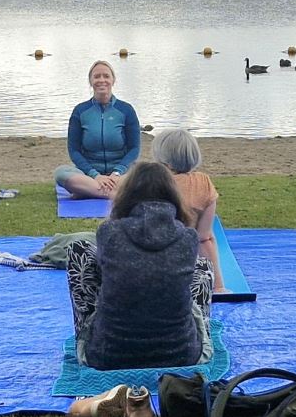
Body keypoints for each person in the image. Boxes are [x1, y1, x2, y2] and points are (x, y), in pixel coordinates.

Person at [66, 161, 213, 370]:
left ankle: (84, 332)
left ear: (126, 194)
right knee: (203, 268)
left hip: (107, 356)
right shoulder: (188, 238)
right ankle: (201, 331)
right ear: (172, 195)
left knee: (79, 252)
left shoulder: (109, 233)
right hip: (182, 355)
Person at [54, 60, 142, 199]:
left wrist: (117, 173)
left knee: (146, 173)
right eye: (97, 76)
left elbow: (134, 149)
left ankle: (89, 191)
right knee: (61, 173)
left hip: (120, 174)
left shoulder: (126, 110)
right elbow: (74, 151)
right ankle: (115, 195)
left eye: (106, 76)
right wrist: (95, 175)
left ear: (113, 80)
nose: (102, 80)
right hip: (88, 173)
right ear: (90, 81)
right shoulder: (80, 111)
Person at [153, 127, 226, 293]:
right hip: (188, 260)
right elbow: (204, 237)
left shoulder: (152, 181)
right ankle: (217, 287)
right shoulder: (204, 183)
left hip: (151, 259)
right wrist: (218, 286)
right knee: (207, 238)